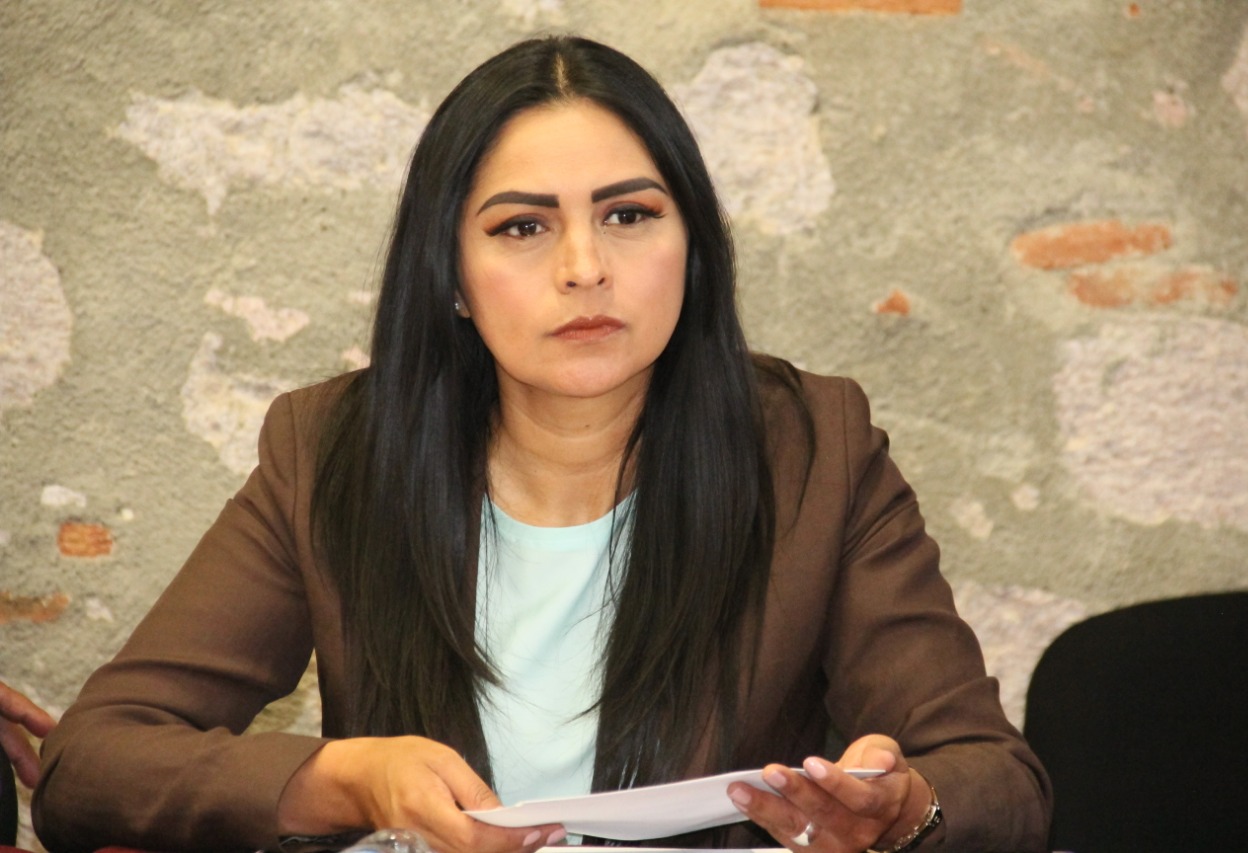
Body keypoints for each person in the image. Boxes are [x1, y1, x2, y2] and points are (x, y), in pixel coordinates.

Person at [34, 36, 1050, 853]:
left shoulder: (814, 447)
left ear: (692, 249)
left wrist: (901, 810)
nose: (583, 266)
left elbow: (997, 778)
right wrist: (344, 777)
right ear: (450, 277)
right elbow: (91, 763)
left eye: (628, 215)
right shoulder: (334, 449)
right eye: (522, 227)